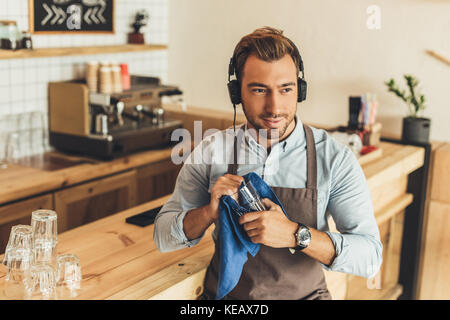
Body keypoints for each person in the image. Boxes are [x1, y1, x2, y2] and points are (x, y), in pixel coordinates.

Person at [154, 27, 382, 300]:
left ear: (300, 90)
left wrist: (296, 235)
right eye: (260, 90)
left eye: (286, 89)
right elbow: (162, 236)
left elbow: (370, 257)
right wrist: (208, 213)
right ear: (237, 93)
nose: (275, 107)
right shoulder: (212, 151)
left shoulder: (334, 158)